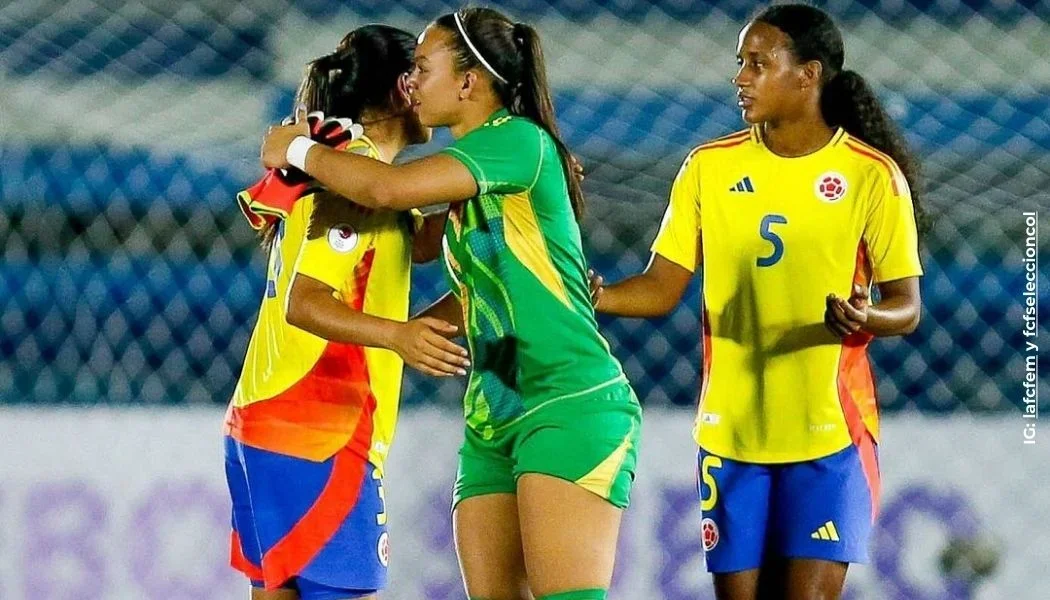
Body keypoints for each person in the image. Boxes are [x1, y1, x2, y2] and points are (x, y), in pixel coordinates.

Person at [260, 8, 641, 600]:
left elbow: (382, 188)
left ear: (468, 83)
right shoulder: (468, 175)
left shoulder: (516, 141)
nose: (409, 81)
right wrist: (409, 332)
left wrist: (298, 149)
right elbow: (475, 286)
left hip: (567, 399)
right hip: (494, 412)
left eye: (422, 66)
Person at [589, 5, 924, 600]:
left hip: (831, 433)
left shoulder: (871, 176)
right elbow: (662, 287)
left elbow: (906, 305)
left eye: (758, 64)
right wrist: (598, 296)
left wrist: (866, 317)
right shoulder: (708, 168)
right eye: (740, 64)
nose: (740, 78)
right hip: (731, 434)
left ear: (808, 74)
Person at [224, 25, 470, 600]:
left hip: (265, 422)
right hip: (317, 434)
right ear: (401, 88)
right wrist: (398, 336)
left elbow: (413, 245)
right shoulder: (357, 177)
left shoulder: (354, 172)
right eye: (424, 71)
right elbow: (304, 303)